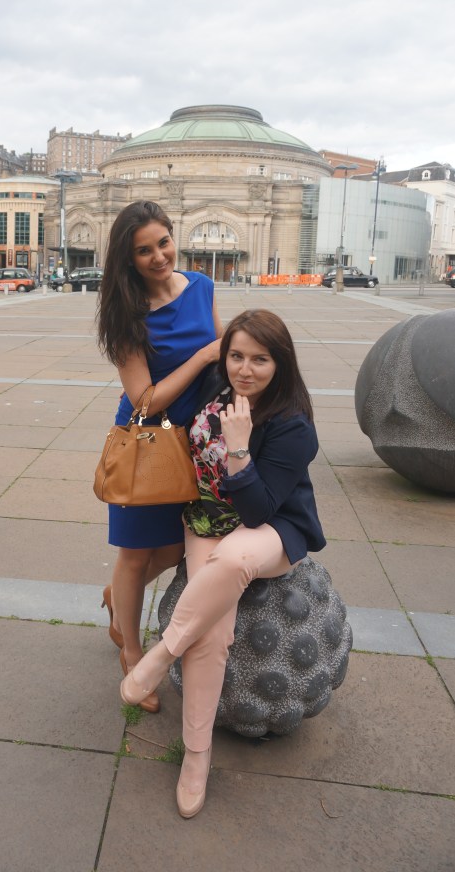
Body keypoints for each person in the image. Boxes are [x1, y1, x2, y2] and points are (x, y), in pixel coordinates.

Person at [120, 309, 326, 818]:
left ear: (281, 363)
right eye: (236, 355)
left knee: (235, 557)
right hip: (207, 521)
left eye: (260, 359)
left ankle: (161, 654)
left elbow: (259, 509)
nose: (245, 369)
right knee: (210, 635)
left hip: (270, 530)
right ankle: (197, 755)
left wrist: (238, 449)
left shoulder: (292, 426)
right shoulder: (217, 386)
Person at [96, 201, 223, 714]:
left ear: (175, 237)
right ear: (128, 260)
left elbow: (220, 356)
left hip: (193, 440)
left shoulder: (202, 287)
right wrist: (200, 358)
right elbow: (145, 398)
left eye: (162, 242)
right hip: (146, 443)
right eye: (143, 251)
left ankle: (115, 599)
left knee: (174, 550)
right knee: (133, 556)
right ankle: (130, 651)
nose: (157, 256)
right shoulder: (127, 316)